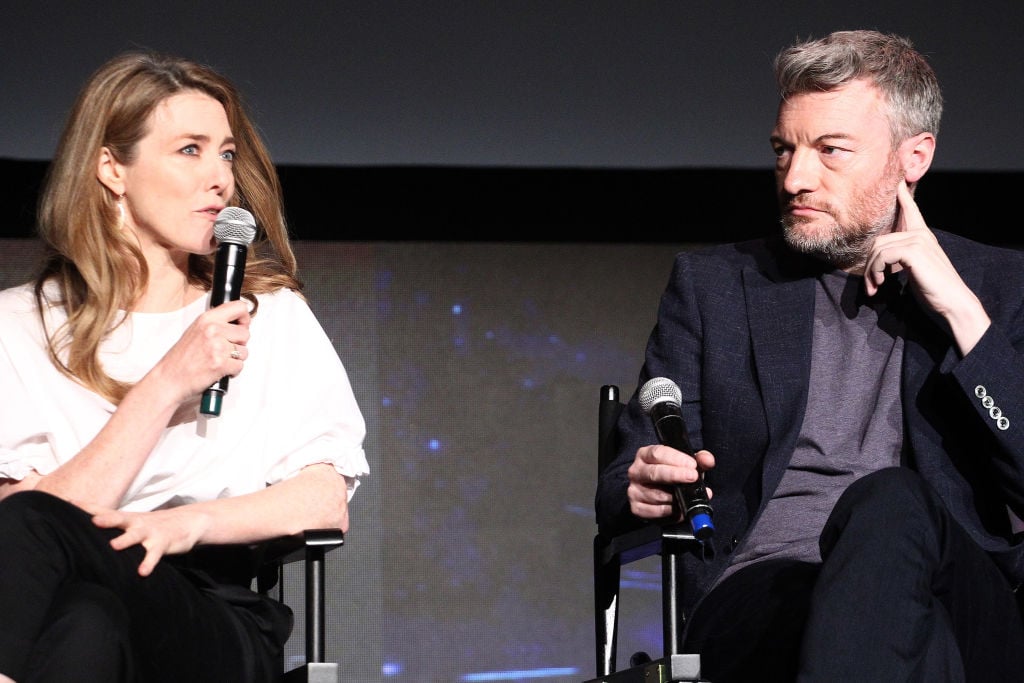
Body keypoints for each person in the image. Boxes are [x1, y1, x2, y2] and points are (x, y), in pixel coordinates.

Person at [596, 29, 1024, 682]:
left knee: (892, 504)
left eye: (830, 151)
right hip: (767, 593)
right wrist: (642, 482)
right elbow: (623, 477)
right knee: (913, 642)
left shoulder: (999, 287)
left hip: (962, 588)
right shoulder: (717, 287)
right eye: (784, 150)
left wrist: (963, 314)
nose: (796, 178)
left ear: (913, 157)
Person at [0, 51, 369, 683]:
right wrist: (167, 383)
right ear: (111, 168)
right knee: (86, 619)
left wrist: (179, 525)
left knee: (49, 551)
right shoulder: (19, 323)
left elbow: (324, 500)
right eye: (190, 151)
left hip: (211, 611)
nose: (220, 178)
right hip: (70, 596)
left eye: (226, 154)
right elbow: (31, 526)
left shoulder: (269, 312)